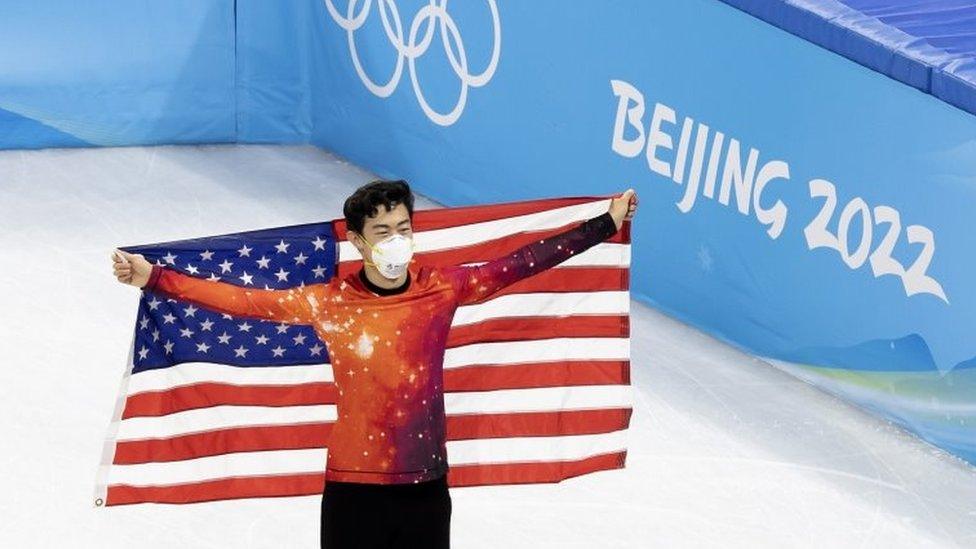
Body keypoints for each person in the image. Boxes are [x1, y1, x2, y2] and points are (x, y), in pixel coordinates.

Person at [112, 180, 638, 548]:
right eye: (383, 232)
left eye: (403, 227)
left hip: (424, 487)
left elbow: (521, 264)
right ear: (359, 241)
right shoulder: (328, 301)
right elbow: (244, 302)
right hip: (352, 491)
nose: (397, 240)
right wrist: (153, 278)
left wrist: (603, 224)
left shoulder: (442, 288)